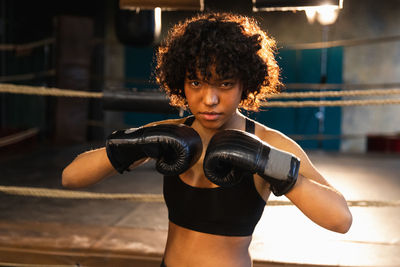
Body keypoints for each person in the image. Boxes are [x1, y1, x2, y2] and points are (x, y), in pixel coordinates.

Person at [62, 12, 352, 267]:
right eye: (196, 83)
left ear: (245, 84)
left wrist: (267, 161)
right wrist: (137, 142)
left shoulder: (269, 143)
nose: (209, 99)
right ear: (181, 82)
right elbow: (70, 178)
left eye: (225, 84)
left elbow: (340, 220)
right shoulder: (170, 132)